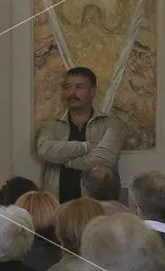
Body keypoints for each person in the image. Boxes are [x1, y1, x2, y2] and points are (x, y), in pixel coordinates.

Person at [36, 67, 125, 203]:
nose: (72, 92)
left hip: (99, 206)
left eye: (79, 87)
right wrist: (85, 147)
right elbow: (44, 150)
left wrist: (66, 160)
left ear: (92, 92)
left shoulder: (110, 123)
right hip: (59, 205)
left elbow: (105, 158)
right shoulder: (53, 124)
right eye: (68, 87)